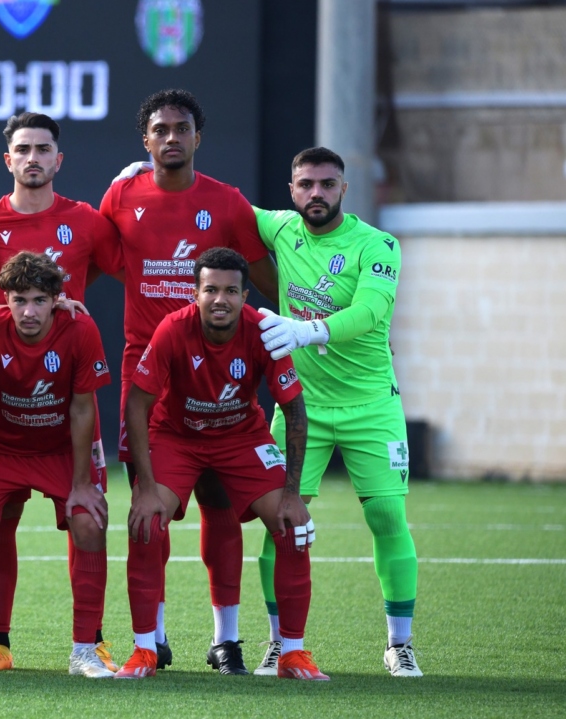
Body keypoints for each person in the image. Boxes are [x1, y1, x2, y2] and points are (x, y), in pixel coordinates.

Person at [98, 88, 279, 673]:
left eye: (181, 128)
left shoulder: (226, 202)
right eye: (160, 129)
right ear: (145, 140)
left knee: (220, 507)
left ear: (198, 137)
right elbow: (97, 258)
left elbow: (266, 281)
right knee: (148, 509)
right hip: (147, 376)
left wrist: (312, 328)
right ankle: (152, 639)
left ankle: (226, 639)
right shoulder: (121, 196)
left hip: (219, 376)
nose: (171, 137)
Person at [0, 111, 120, 672]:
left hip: (64, 409)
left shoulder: (86, 221)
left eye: (43, 149)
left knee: (89, 517)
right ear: (8, 159)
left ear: (58, 159)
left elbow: (129, 264)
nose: (33, 158)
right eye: (23, 149)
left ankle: (90, 644)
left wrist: (133, 180)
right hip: (7, 404)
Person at [249, 147, 421, 677]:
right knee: (280, 519)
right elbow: (217, 202)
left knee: (386, 515)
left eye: (327, 184)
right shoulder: (281, 229)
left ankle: (399, 643)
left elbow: (370, 311)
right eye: (306, 184)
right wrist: (151, 176)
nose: (316, 193)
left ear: (344, 189)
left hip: (372, 404)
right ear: (292, 190)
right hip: (302, 406)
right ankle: (280, 642)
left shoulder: (378, 244)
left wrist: (308, 330)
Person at [120, 247, 327, 681]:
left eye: (231, 291)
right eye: (210, 289)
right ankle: (144, 650)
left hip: (241, 437)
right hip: (177, 437)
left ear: (245, 296)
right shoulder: (172, 329)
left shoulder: (263, 331)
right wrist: (145, 487)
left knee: (294, 527)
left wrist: (292, 494)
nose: (220, 299)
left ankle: (292, 653)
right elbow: (137, 404)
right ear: (194, 294)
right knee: (146, 522)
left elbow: (295, 410)